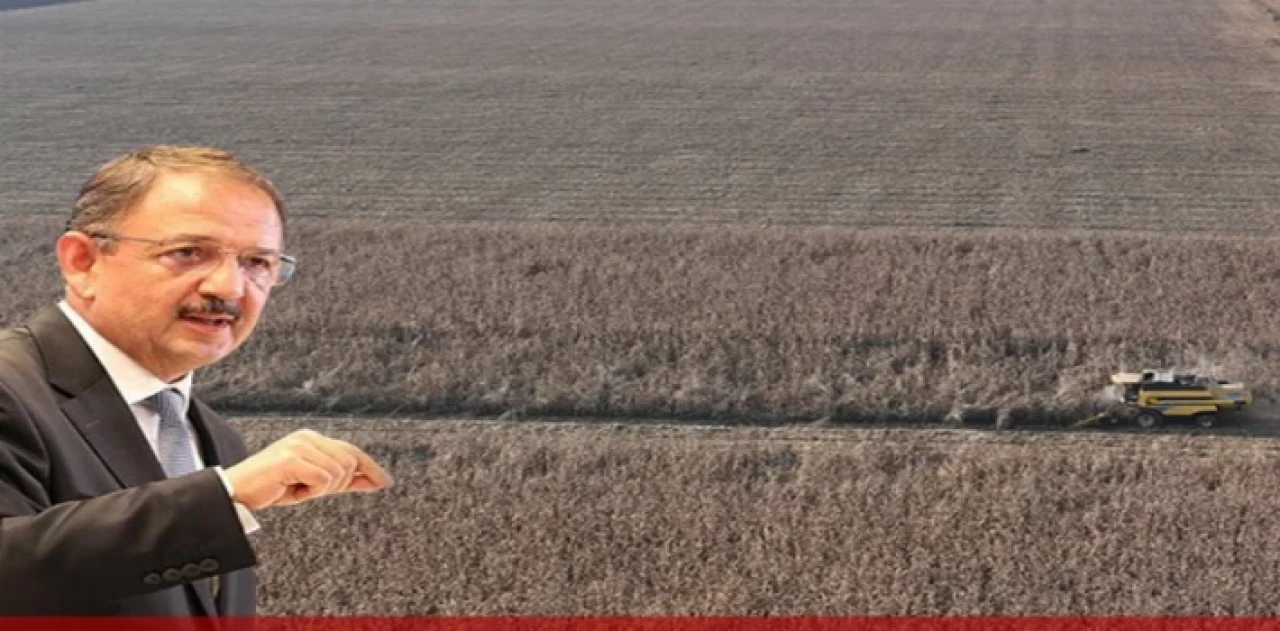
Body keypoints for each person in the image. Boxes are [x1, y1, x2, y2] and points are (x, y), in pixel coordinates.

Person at [0, 146, 394, 617]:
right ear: (82, 261)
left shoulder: (211, 438)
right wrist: (226, 497)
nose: (228, 288)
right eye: (188, 253)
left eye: (257, 263)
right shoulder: (11, 388)